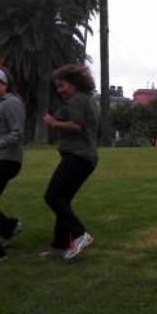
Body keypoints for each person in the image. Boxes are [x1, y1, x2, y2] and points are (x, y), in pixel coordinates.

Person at [42, 65, 99, 259]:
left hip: (78, 156)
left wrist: (53, 123)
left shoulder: (78, 99)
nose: (59, 90)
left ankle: (80, 234)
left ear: (74, 84)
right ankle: (59, 245)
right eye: (57, 87)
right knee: (62, 199)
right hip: (84, 157)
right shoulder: (85, 99)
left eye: (62, 85)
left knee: (53, 197)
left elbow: (77, 126)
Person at [0, 67, 25, 263]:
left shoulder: (11, 102)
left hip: (7, 159)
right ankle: (8, 227)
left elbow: (17, 133)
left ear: (4, 84)